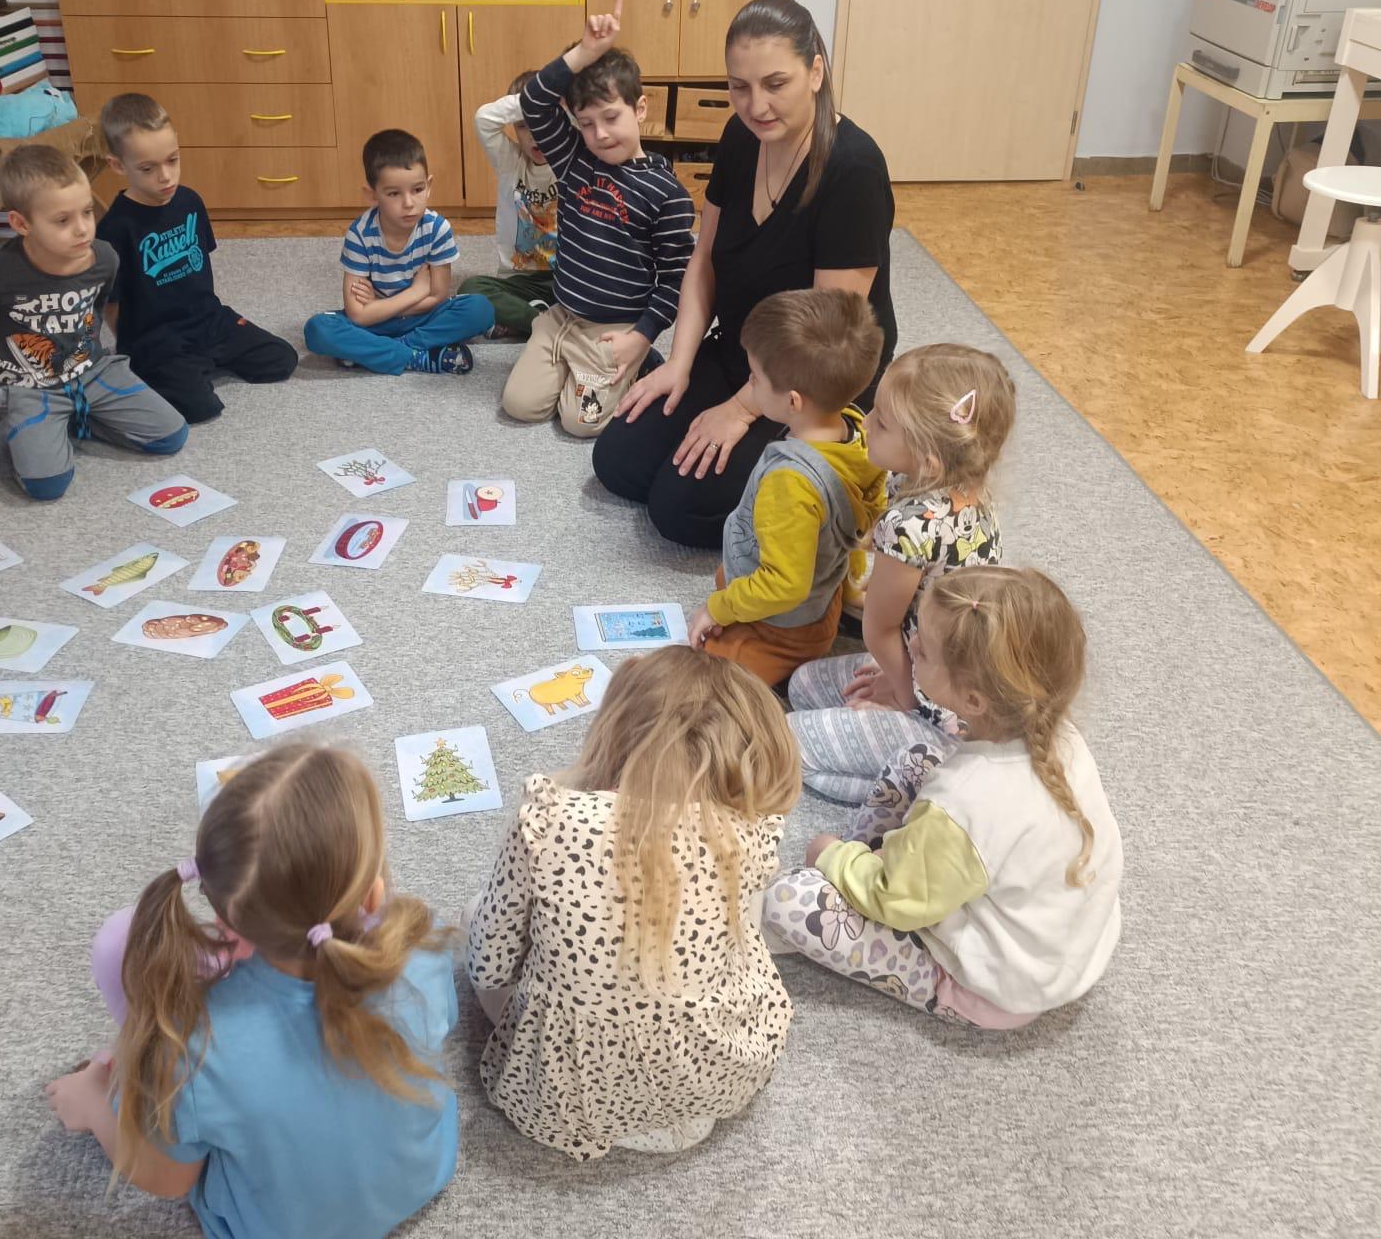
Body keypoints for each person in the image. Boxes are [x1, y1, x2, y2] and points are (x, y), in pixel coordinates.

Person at [45, 742, 459, 1239]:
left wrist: (95, 1106)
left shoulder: (197, 1045)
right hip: (423, 1176)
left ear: (227, 919)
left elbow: (168, 1179)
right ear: (372, 895)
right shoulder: (424, 945)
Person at [466, 647, 799, 1159]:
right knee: (742, 919)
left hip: (570, 1097)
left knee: (476, 915)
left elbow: (489, 965)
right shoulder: (748, 833)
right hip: (711, 1079)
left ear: (616, 728)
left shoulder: (549, 821)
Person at [594, 0, 896, 548]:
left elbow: (830, 331)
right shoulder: (741, 136)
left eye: (776, 84)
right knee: (618, 462)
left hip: (815, 378)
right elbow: (703, 260)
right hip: (745, 349)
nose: (756, 105)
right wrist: (680, 363)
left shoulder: (853, 168)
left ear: (816, 72)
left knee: (678, 509)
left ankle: (848, 469)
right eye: (740, 86)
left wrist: (739, 410)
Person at [763, 567, 1122, 1029]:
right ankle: (865, 867)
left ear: (973, 701)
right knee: (917, 758)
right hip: (1054, 944)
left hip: (997, 987)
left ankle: (854, 877)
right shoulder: (1056, 733)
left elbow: (897, 901)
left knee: (787, 900)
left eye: (924, 651)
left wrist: (831, 856)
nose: (910, 645)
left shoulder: (965, 803)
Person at [788, 343, 1014, 807]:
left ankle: (932, 784)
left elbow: (879, 627)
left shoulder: (909, 525)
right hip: (941, 668)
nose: (866, 422)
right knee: (802, 685)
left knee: (786, 745)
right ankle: (922, 756)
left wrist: (900, 693)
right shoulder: (968, 488)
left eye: (883, 422)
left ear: (928, 455)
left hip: (937, 709)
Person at [501, 0, 695, 437]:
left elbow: (675, 281)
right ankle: (570, 362)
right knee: (520, 406)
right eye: (586, 123)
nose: (600, 134)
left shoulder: (667, 195)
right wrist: (585, 52)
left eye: (611, 117)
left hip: (614, 329)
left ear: (640, 109)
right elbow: (532, 101)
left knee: (580, 423)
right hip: (562, 316)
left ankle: (641, 362)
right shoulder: (573, 158)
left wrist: (641, 336)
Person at [0, 146, 187, 501]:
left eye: (87, 212)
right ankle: (32, 431)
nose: (82, 229)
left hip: (91, 370)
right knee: (47, 485)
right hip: (31, 386)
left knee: (171, 435)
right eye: (62, 221)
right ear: (21, 224)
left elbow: (97, 308)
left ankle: (73, 423)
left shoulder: (104, 258)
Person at [687, 288, 886, 687]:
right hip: (816, 592)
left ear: (794, 402)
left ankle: (793, 649)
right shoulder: (855, 428)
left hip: (787, 631)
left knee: (708, 675)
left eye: (755, 377)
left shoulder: (790, 483)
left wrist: (718, 609)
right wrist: (849, 587)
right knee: (728, 579)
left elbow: (784, 586)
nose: (749, 382)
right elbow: (857, 529)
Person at [96, 93, 297, 424]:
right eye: (148, 168)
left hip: (208, 320)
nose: (165, 176)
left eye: (172, 160)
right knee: (200, 407)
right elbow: (111, 304)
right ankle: (175, 371)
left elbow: (200, 266)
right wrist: (133, 348)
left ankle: (199, 364)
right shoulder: (113, 230)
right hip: (156, 336)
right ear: (118, 165)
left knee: (281, 359)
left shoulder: (190, 201)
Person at [303, 129, 492, 376]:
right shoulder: (360, 233)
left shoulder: (437, 228)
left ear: (429, 186)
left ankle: (384, 351)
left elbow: (437, 296)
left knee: (480, 309)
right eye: (394, 193)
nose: (409, 203)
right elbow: (357, 315)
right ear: (372, 195)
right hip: (378, 322)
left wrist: (377, 306)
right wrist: (415, 292)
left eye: (417, 189)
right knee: (318, 329)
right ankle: (416, 357)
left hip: (416, 315)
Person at [457, 71, 559, 338]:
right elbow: (483, 119)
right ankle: (541, 322)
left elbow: (583, 117)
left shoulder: (571, 159)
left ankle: (523, 320)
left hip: (566, 279)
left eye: (543, 122)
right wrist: (530, 102)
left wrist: (551, 101)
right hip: (519, 281)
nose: (534, 134)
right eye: (524, 125)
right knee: (470, 290)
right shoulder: (509, 161)